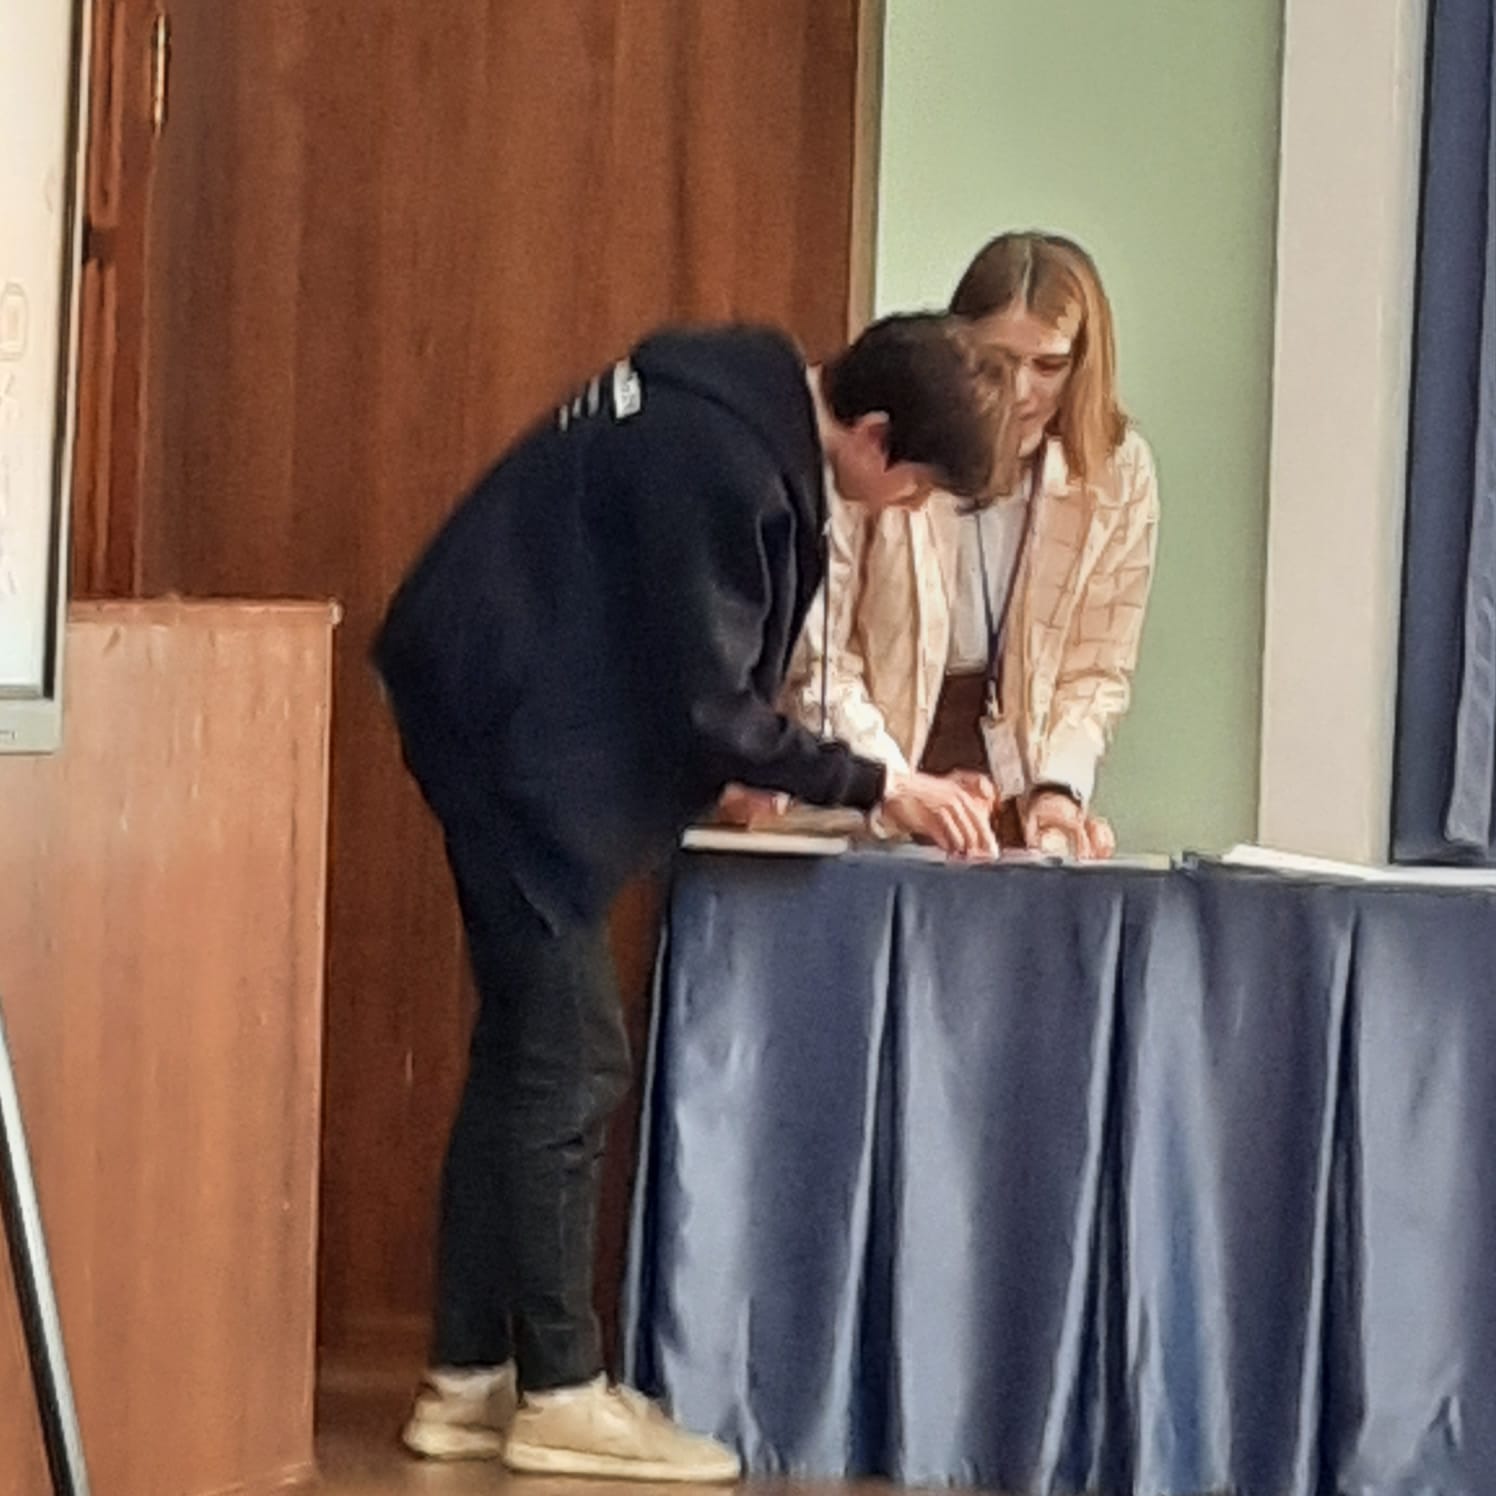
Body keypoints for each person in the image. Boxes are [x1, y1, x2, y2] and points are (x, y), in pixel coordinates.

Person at [373, 314, 1012, 1480]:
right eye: (913, 484)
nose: (905, 507)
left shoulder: (733, 402)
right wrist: (879, 784)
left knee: (527, 1051)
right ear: (873, 436)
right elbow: (706, 699)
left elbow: (655, 643)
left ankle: (466, 1374)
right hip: (499, 726)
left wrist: (728, 765)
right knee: (572, 1058)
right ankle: (560, 1389)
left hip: (492, 703)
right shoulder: (729, 459)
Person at [756, 232, 1159, 855]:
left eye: (1048, 366)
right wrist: (895, 785)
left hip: (1005, 793)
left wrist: (1058, 789)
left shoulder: (1118, 472)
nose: (1021, 390)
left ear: (1083, 364)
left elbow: (1096, 670)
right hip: (863, 768)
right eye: (1000, 360)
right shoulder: (885, 441)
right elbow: (820, 664)